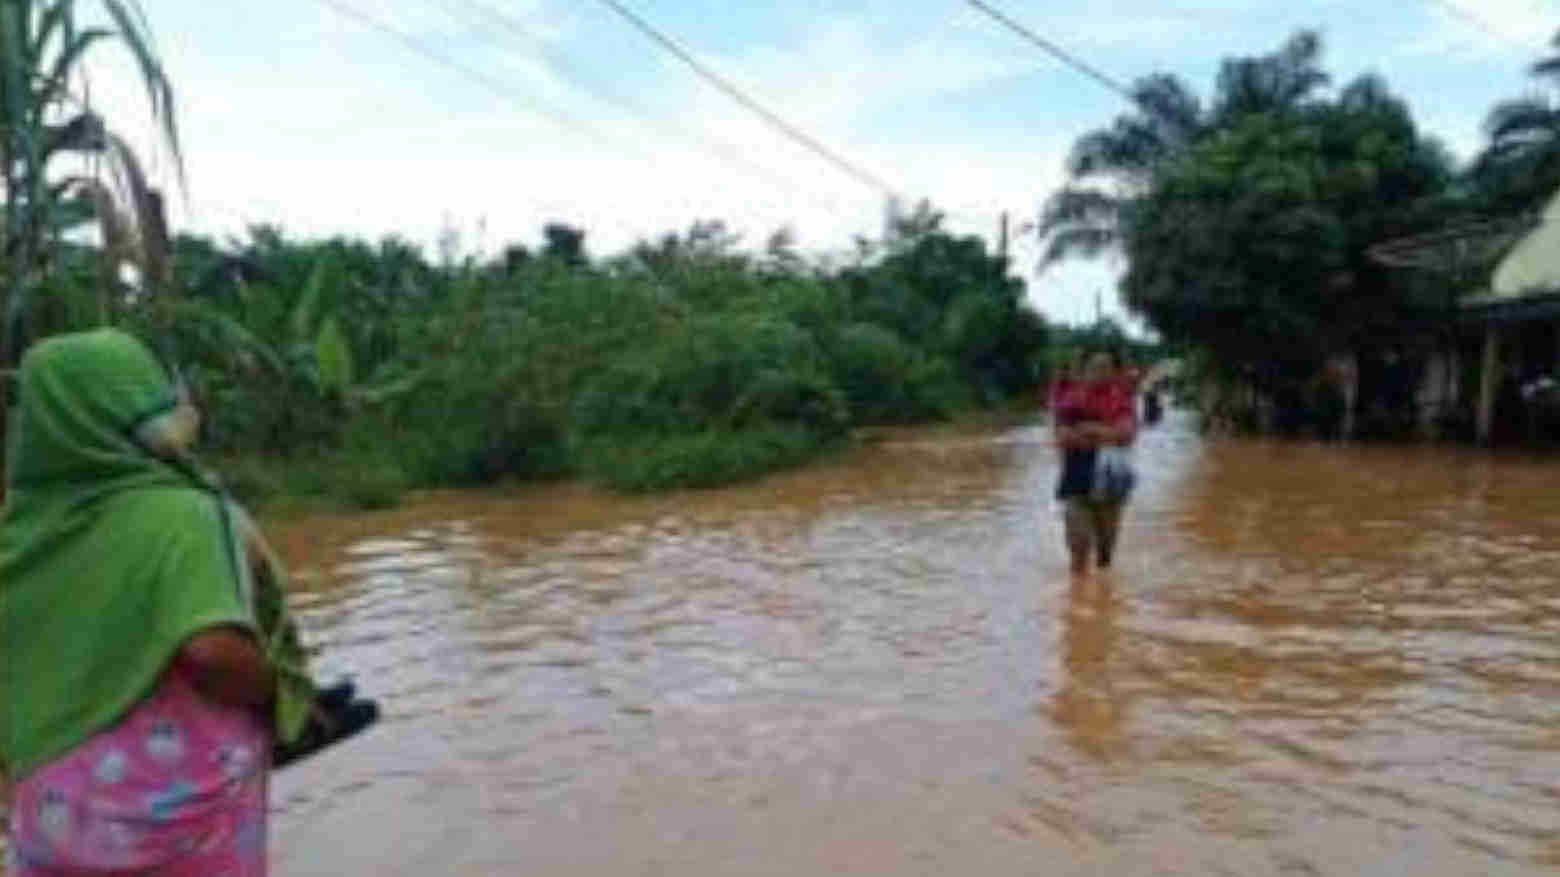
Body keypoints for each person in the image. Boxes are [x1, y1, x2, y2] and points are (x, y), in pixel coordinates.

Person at [1, 329, 372, 876]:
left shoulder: (20, 531)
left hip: (47, 809)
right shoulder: (184, 517)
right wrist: (290, 700)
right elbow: (211, 654)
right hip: (169, 812)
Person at [1052, 349, 1138, 577]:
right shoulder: (1070, 399)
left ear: (1113, 372)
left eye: (1106, 368)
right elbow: (1062, 437)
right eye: (1095, 367)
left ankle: (1102, 598)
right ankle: (1078, 596)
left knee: (1105, 553)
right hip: (1076, 478)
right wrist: (1107, 434)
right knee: (1078, 545)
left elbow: (1127, 434)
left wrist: (1089, 430)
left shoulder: (1122, 400)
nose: (1100, 373)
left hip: (1111, 482)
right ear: (1085, 371)